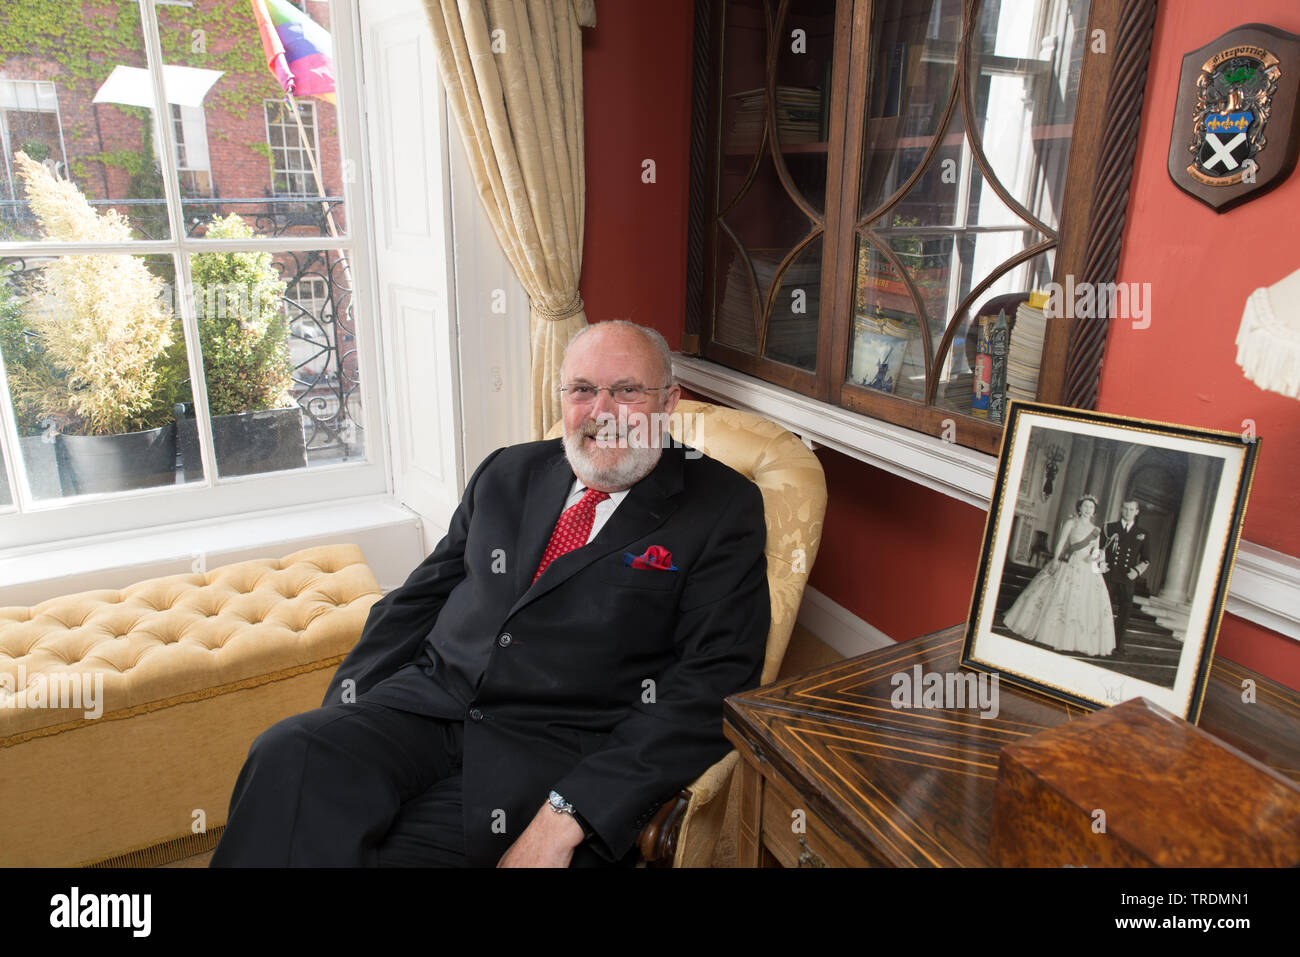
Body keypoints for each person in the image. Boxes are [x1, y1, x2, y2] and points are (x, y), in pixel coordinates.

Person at [210, 321, 770, 867]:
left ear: (668, 402)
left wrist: (568, 812)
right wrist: (350, 715)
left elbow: (713, 680)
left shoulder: (722, 508)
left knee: (380, 852)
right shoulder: (509, 470)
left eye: (626, 391)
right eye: (581, 389)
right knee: (291, 755)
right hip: (426, 703)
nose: (601, 411)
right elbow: (416, 600)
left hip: (546, 749)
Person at [1002, 494, 1116, 657]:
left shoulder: (1096, 530)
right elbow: (1061, 542)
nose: (1087, 509)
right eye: (1085, 506)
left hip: (1086, 567)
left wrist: (1095, 557)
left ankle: (1074, 640)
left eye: (1091, 507)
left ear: (1094, 511)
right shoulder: (1071, 523)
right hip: (1068, 563)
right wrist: (1055, 560)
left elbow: (1096, 551)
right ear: (1080, 507)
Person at [1103, 499, 1151, 656]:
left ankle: (1117, 645)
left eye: (1131, 509)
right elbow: (1099, 550)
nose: (1128, 512)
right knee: (1104, 609)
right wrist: (1100, 566)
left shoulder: (1142, 534)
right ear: (1121, 509)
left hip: (1127, 577)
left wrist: (1136, 572)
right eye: (1125, 508)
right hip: (1109, 575)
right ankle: (1100, 641)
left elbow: (1146, 559)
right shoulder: (1109, 528)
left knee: (1125, 611)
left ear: (1137, 512)